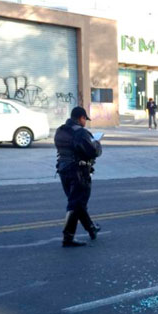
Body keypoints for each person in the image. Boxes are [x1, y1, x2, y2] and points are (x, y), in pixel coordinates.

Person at [55, 106, 102, 247]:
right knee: (76, 203)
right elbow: (92, 151)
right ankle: (68, 237)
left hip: (63, 169)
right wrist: (97, 144)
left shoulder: (60, 130)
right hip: (78, 171)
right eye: (84, 119)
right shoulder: (80, 132)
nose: (85, 122)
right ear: (81, 118)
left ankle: (91, 228)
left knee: (77, 203)